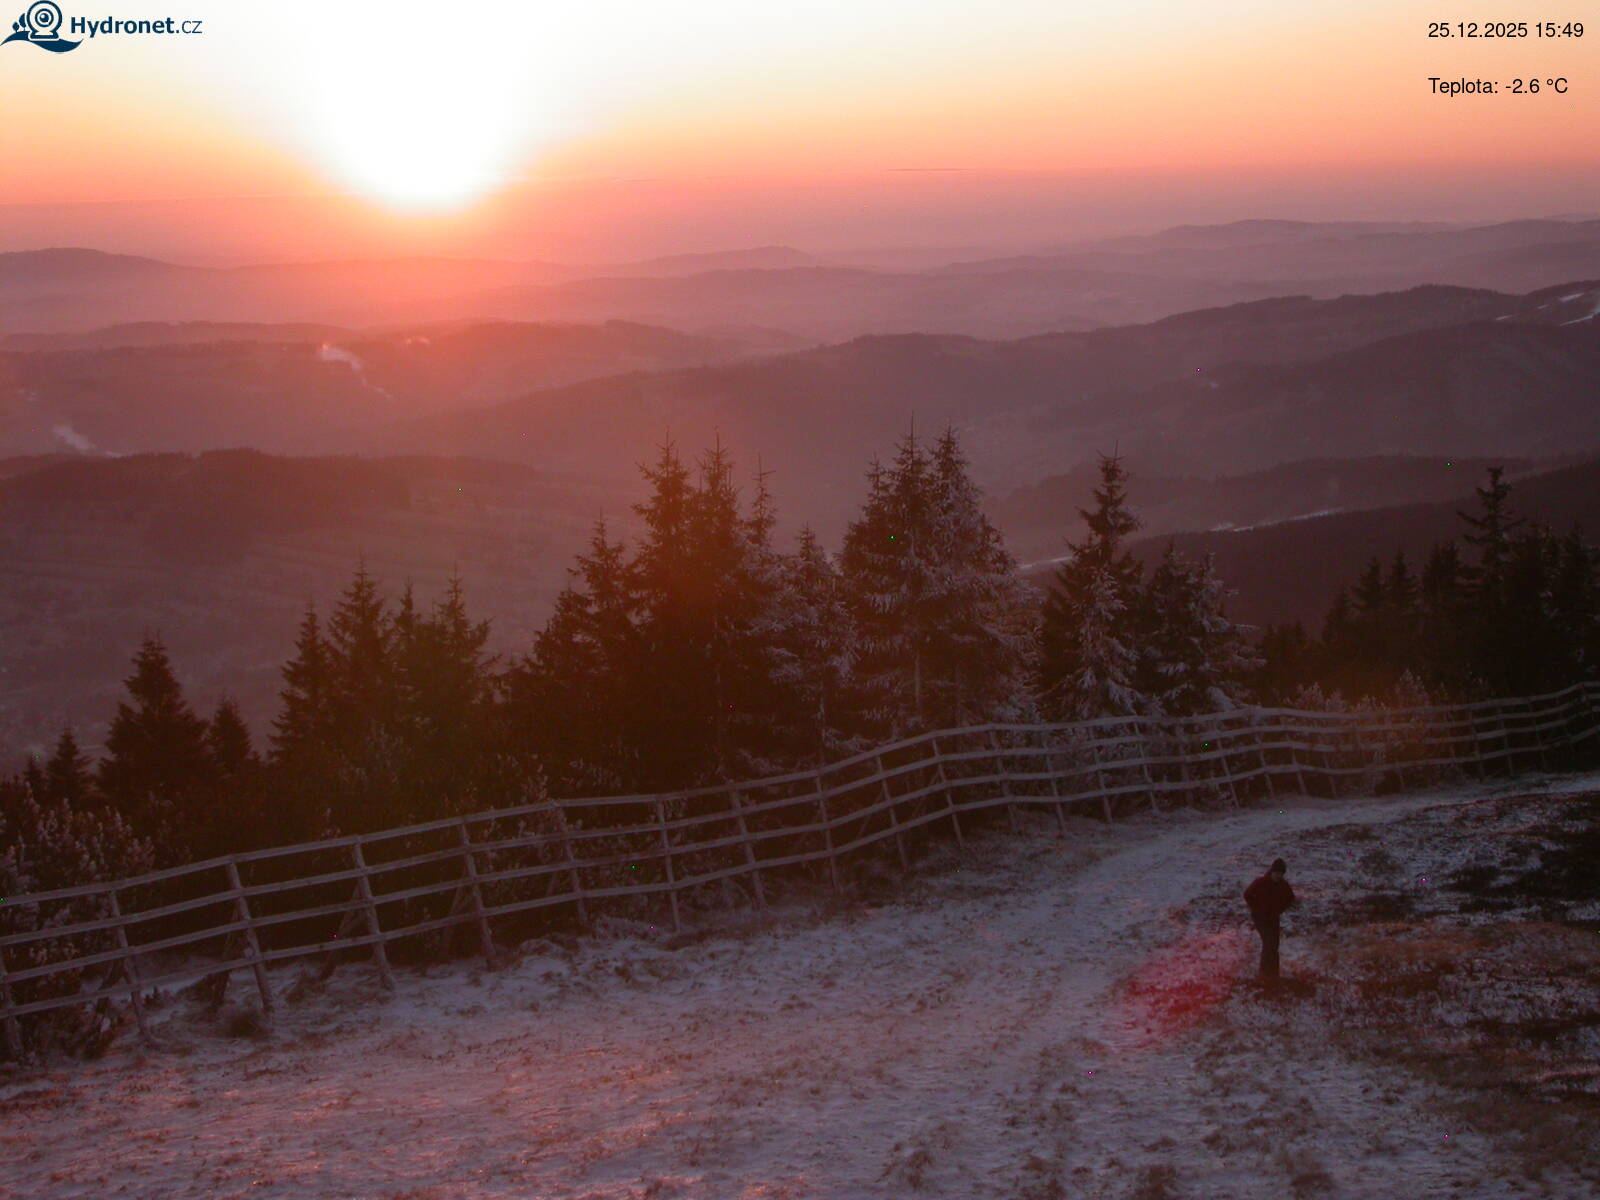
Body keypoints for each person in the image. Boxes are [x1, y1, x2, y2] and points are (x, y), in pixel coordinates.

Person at [1243, 858, 1296, 979]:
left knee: (1274, 945)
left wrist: (1280, 909)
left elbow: (1290, 898)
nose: (1278, 876)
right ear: (1271, 871)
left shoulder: (1283, 885)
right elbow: (1247, 895)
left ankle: (1274, 974)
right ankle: (1264, 973)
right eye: (1276, 873)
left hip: (1273, 917)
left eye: (1281, 874)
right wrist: (1256, 907)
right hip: (1259, 917)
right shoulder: (1260, 882)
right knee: (1268, 942)